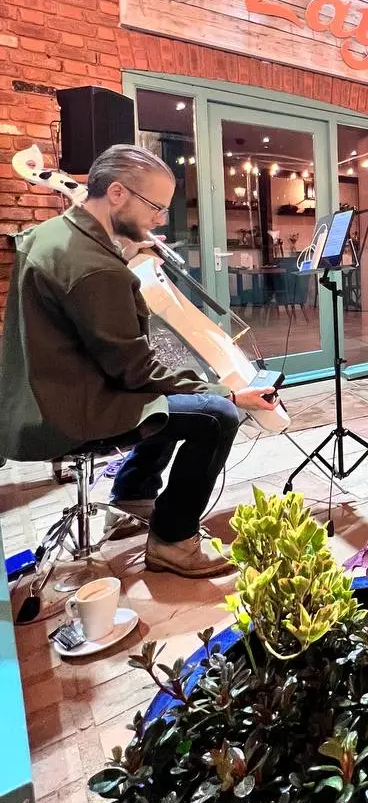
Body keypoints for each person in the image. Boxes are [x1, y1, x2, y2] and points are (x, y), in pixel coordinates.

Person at [0, 144, 277, 578]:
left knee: (174, 398)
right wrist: (229, 392)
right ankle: (173, 539)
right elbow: (136, 371)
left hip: (40, 393)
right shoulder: (96, 268)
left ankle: (133, 490)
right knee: (216, 414)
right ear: (116, 194)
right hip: (69, 408)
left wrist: (123, 252)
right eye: (154, 207)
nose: (160, 220)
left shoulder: (52, 234)